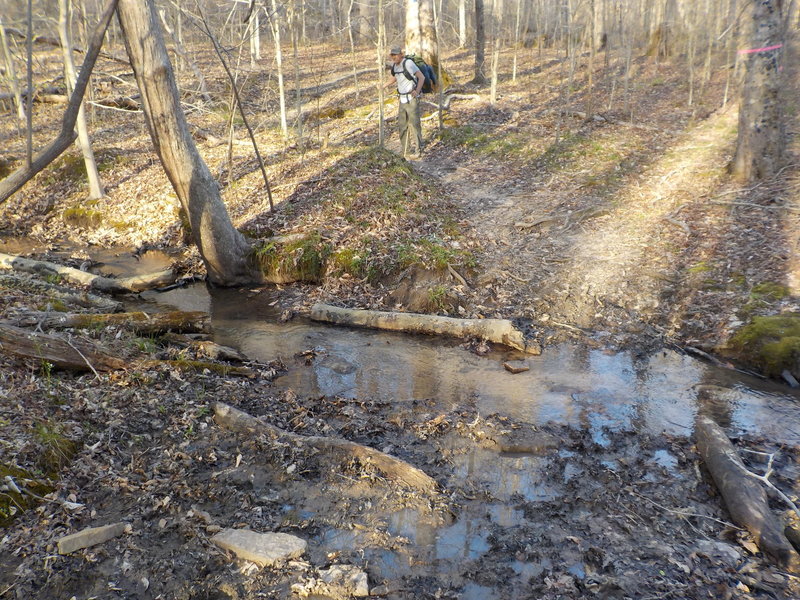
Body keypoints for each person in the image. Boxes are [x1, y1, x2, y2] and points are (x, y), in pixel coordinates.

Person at [384, 46, 425, 159]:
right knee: (402, 125)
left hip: (412, 99)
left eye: (396, 55)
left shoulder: (409, 63)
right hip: (402, 99)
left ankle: (418, 150)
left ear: (401, 54)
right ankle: (405, 150)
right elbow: (395, 78)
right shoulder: (395, 66)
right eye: (392, 55)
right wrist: (383, 86)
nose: (394, 57)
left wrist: (417, 91)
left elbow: (421, 77)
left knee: (414, 124)